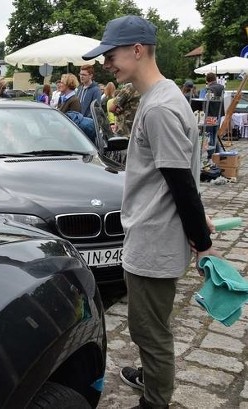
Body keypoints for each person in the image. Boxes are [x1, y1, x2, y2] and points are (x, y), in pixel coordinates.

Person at [83, 15, 216, 409]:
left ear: (137, 50)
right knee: (150, 322)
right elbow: (180, 175)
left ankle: (155, 400)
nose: (107, 63)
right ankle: (150, 374)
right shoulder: (165, 95)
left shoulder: (158, 107)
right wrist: (198, 219)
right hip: (151, 232)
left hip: (154, 240)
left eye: (112, 55)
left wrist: (202, 239)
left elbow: (180, 182)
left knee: (149, 330)